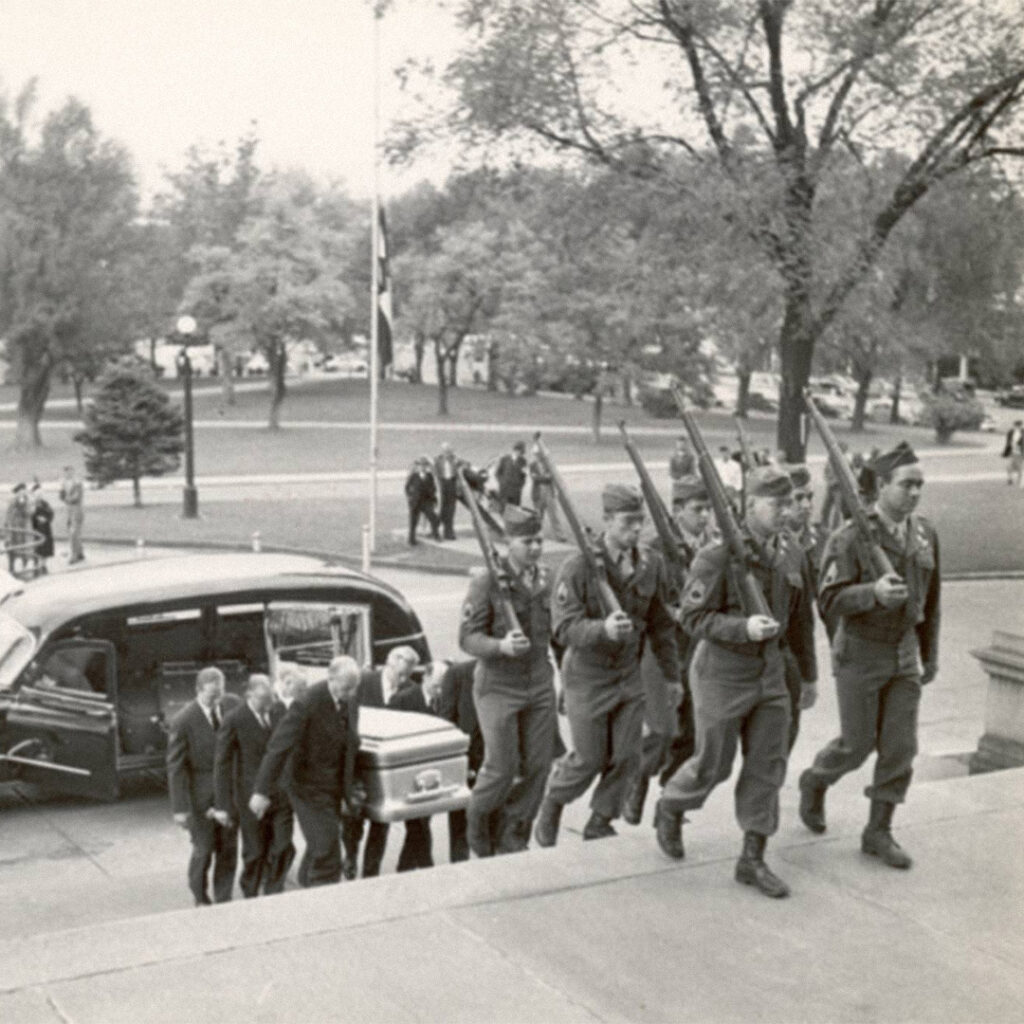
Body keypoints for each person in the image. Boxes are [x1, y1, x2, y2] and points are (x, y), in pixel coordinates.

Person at [654, 466, 817, 899]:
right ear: (750, 506)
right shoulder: (717, 555)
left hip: (772, 674)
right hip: (723, 672)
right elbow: (692, 618)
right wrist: (743, 628)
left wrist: (810, 675)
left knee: (769, 764)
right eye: (776, 504)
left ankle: (752, 858)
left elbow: (801, 620)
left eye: (790, 503)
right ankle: (672, 805)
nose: (786, 512)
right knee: (715, 763)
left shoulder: (793, 553)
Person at [798, 442, 940, 871]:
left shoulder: (924, 532)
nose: (915, 493)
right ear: (881, 486)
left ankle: (878, 830)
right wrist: (872, 594)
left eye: (920, 485)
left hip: (903, 655)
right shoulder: (850, 536)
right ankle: (815, 780)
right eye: (906, 485)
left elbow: (931, 600)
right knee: (857, 745)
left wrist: (929, 655)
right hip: (861, 652)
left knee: (900, 747)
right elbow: (828, 598)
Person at [535, 483, 680, 846]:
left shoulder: (650, 564)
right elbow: (563, 626)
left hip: (628, 674)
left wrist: (672, 676)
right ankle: (553, 802)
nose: (635, 529)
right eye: (628, 521)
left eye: (640, 521)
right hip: (587, 675)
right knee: (588, 757)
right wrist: (603, 629)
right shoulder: (579, 566)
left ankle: (600, 819)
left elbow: (661, 625)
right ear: (607, 520)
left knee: (629, 754)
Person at [459, 506, 557, 856]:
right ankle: (477, 831)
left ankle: (514, 834)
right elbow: (468, 638)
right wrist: (500, 645)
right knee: (501, 768)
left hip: (540, 682)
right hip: (498, 685)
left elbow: (555, 634)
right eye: (527, 540)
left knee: (539, 768)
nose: (535, 547)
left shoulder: (545, 578)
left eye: (539, 540)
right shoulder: (487, 580)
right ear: (508, 541)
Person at [623, 475, 712, 825]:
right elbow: (643, 604)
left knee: (692, 732)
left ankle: (669, 796)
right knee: (661, 730)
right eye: (696, 509)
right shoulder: (654, 548)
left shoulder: (712, 544)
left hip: (699, 647)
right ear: (676, 511)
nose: (704, 516)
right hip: (663, 648)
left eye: (707, 509)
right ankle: (638, 779)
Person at [250, 655, 361, 888]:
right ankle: (323, 898)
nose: (350, 694)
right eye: (346, 688)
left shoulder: (349, 699)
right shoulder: (308, 702)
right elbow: (279, 746)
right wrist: (261, 791)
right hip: (307, 787)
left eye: (353, 688)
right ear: (330, 678)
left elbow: (350, 743)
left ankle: (306, 886)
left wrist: (352, 785)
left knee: (321, 843)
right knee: (327, 849)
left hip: (332, 786)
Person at [342, 646, 432, 877]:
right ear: (389, 664)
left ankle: (370, 875)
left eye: (408, 675)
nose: (403, 680)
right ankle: (350, 855)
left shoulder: (412, 692)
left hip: (388, 768)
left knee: (380, 823)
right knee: (354, 821)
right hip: (361, 763)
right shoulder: (364, 682)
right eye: (400, 674)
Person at [213, 674, 295, 898]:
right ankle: (250, 891)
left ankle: (274, 890)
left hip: (280, 794)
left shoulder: (279, 711)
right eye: (262, 699)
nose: (267, 703)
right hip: (250, 797)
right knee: (255, 851)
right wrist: (222, 804)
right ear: (249, 694)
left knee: (283, 845)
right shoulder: (234, 719)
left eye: (270, 698)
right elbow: (222, 764)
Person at [167, 666, 241, 906]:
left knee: (228, 848)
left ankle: (223, 897)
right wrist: (180, 808)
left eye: (220, 693)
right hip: (200, 798)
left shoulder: (231, 707)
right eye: (211, 695)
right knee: (204, 849)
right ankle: (200, 895)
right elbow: (176, 768)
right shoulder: (183, 721)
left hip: (228, 793)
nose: (217, 699)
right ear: (198, 691)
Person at [780, 465, 822, 751]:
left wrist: (809, 674)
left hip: (789, 658)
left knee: (785, 736)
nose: (806, 505)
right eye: (798, 498)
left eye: (809, 497)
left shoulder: (818, 541)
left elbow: (804, 620)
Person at [431, 658, 484, 863]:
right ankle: (460, 868)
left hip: (498, 761)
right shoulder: (459, 674)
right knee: (460, 824)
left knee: (496, 823)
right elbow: (447, 721)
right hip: (466, 760)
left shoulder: (509, 671)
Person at [528, 440, 567, 542]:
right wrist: (545, 477)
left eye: (539, 454)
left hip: (549, 492)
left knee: (554, 515)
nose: (538, 456)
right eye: (536, 454)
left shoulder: (549, 464)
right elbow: (535, 478)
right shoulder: (532, 465)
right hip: (538, 492)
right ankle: (537, 535)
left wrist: (542, 477)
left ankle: (560, 535)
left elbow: (551, 477)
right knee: (538, 516)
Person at [404, 456, 441, 546]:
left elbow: (433, 488)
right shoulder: (414, 476)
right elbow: (407, 487)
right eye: (421, 465)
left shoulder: (429, 476)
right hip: (415, 502)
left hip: (426, 502)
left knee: (433, 518)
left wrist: (433, 498)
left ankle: (436, 535)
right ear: (418, 467)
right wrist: (410, 498)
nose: (423, 467)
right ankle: (411, 539)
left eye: (424, 466)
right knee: (413, 522)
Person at [4, 484, 33, 576]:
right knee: (16, 545)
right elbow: (26, 512)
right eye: (22, 490)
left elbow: (27, 512)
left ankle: (18, 567)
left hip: (18, 527)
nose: (24, 493)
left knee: (19, 546)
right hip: (16, 527)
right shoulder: (18, 500)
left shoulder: (22, 499)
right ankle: (15, 567)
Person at [434, 442, 460, 540]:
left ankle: (449, 532)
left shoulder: (455, 459)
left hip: (452, 484)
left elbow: (465, 464)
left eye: (449, 451)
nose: (448, 453)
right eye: (446, 451)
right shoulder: (437, 460)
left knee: (451, 509)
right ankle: (436, 530)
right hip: (442, 484)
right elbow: (435, 473)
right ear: (442, 451)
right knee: (442, 509)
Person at [59, 465, 85, 564]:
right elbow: (61, 496)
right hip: (69, 511)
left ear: (73, 472)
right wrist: (65, 496)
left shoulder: (77, 483)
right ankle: (80, 552)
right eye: (66, 472)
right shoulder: (64, 483)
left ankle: (74, 555)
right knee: (73, 532)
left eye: (70, 472)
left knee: (74, 532)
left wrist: (67, 499)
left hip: (77, 510)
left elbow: (76, 497)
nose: (68, 474)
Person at [29, 483, 54, 575]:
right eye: (37, 494)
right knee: (37, 547)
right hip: (37, 528)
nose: (39, 495)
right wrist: (36, 518)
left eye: (41, 494)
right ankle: (36, 566)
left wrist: (46, 519)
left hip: (46, 528)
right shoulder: (32, 504)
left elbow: (51, 513)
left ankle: (43, 565)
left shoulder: (45, 503)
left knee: (46, 547)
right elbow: (30, 516)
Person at [495, 441, 528, 508]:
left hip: (516, 492)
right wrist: (502, 482)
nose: (520, 454)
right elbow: (497, 473)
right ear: (515, 450)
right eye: (519, 451)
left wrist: (520, 486)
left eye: (521, 452)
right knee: (503, 509)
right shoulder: (504, 459)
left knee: (514, 511)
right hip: (504, 490)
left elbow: (524, 476)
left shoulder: (523, 461)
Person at [1003, 420, 1023, 487]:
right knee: (1008, 466)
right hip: (1012, 452)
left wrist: (1018, 445)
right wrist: (1007, 450)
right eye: (1016, 425)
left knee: (1019, 467)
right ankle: (1009, 478)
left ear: (1021, 426)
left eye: (1019, 425)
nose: (1017, 427)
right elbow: (1007, 441)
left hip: (1020, 453)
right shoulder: (1010, 432)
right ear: (1014, 426)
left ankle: (1019, 480)